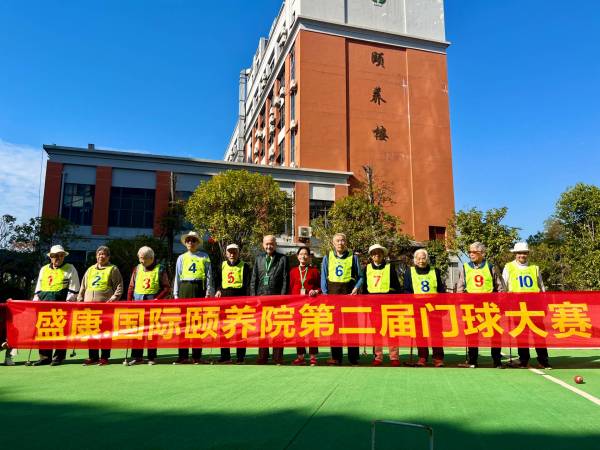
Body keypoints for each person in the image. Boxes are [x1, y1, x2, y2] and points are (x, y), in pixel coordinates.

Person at [502, 242, 551, 369]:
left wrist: (544, 304)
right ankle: (523, 359)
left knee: (538, 333)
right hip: (517, 306)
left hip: (534, 306)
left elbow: (541, 287)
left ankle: (543, 360)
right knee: (521, 333)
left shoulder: (535, 268)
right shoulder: (508, 267)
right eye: (519, 253)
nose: (521, 255)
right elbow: (504, 287)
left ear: (528, 253)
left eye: (524, 252)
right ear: (515, 254)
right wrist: (505, 304)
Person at [456, 242, 505, 368]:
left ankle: (497, 360)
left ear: (482, 253)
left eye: (474, 252)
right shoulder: (465, 267)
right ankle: (472, 360)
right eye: (470, 252)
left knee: (494, 333)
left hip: (489, 305)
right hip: (471, 305)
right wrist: (460, 302)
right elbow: (460, 286)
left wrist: (501, 303)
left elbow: (500, 286)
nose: (471, 254)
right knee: (472, 333)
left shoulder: (490, 266)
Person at [30, 245, 80, 366]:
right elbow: (38, 287)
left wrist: (68, 303)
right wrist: (36, 302)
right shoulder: (44, 269)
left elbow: (74, 288)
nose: (58, 258)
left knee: (60, 331)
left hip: (62, 304)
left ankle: (58, 357)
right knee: (44, 330)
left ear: (64, 256)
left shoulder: (70, 268)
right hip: (44, 304)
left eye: (60, 255)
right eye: (55, 256)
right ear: (51, 257)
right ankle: (44, 357)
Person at [320, 233, 364, 366]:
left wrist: (356, 288)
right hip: (333, 296)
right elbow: (323, 277)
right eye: (338, 241)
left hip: (349, 296)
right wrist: (325, 294)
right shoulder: (327, 257)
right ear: (333, 243)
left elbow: (361, 277)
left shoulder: (353, 257)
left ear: (346, 242)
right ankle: (336, 357)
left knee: (351, 327)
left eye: (343, 240)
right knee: (335, 328)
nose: (340, 243)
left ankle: (353, 357)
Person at [78, 246, 124, 366]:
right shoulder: (90, 270)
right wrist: (80, 300)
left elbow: (119, 286)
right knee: (91, 332)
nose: (101, 256)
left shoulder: (113, 269)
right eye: (99, 254)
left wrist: (113, 299)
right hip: (89, 307)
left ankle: (104, 357)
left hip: (105, 307)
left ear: (108, 256)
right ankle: (93, 357)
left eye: (103, 254)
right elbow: (83, 286)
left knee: (105, 332)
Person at [173, 231, 214, 364]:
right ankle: (183, 355)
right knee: (183, 323)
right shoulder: (181, 258)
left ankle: (197, 355)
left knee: (198, 323)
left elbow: (209, 275)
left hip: (199, 289)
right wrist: (176, 294)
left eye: (193, 240)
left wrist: (208, 291)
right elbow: (177, 276)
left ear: (197, 242)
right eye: (188, 240)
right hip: (185, 288)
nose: (191, 242)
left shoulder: (204, 256)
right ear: (185, 243)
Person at [126, 246, 171, 365]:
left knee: (152, 331)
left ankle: (151, 356)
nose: (142, 261)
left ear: (151, 258)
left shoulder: (160, 269)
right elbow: (131, 286)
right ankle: (137, 356)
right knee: (137, 331)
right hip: (138, 304)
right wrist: (129, 302)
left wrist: (157, 299)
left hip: (153, 304)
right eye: (140, 258)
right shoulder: (137, 269)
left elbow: (167, 288)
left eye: (144, 259)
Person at [403, 248, 446, 367]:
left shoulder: (435, 271)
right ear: (415, 260)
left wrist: (443, 306)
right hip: (417, 307)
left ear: (427, 259)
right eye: (418, 258)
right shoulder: (409, 271)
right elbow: (406, 290)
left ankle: (438, 358)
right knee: (420, 333)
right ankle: (422, 357)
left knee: (436, 332)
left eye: (423, 258)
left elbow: (441, 289)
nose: (421, 261)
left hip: (433, 307)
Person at [250, 235, 288, 364]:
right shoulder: (258, 259)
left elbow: (285, 280)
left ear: (275, 245)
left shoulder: (282, 259)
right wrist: (253, 298)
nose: (269, 246)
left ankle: (277, 357)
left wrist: (282, 298)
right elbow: (254, 279)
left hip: (277, 298)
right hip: (261, 298)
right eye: (266, 244)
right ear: (263, 245)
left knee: (277, 328)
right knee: (263, 329)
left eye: (271, 244)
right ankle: (262, 356)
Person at [365, 244, 402, 367]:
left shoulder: (390, 268)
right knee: (377, 331)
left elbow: (397, 286)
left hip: (389, 303)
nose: (377, 255)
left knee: (392, 330)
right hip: (373, 304)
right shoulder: (367, 268)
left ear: (383, 255)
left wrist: (398, 301)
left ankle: (394, 356)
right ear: (371, 256)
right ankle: (378, 356)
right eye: (374, 253)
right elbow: (365, 289)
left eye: (379, 253)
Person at [215, 243, 251, 364]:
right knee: (224, 328)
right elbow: (218, 281)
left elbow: (247, 284)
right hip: (225, 298)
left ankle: (240, 357)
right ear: (226, 253)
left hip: (240, 298)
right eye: (230, 252)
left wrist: (247, 300)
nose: (232, 254)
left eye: (234, 252)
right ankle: (225, 356)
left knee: (240, 329)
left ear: (238, 253)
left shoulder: (244, 266)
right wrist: (218, 290)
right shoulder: (222, 265)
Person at [288, 246, 320, 366]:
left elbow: (319, 287)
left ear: (309, 257)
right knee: (299, 331)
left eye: (306, 254)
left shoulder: (314, 271)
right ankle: (300, 356)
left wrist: (316, 291)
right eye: (301, 254)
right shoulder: (292, 271)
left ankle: (313, 356)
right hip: (297, 305)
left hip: (311, 305)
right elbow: (290, 289)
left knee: (312, 330)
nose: (303, 256)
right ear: (297, 256)